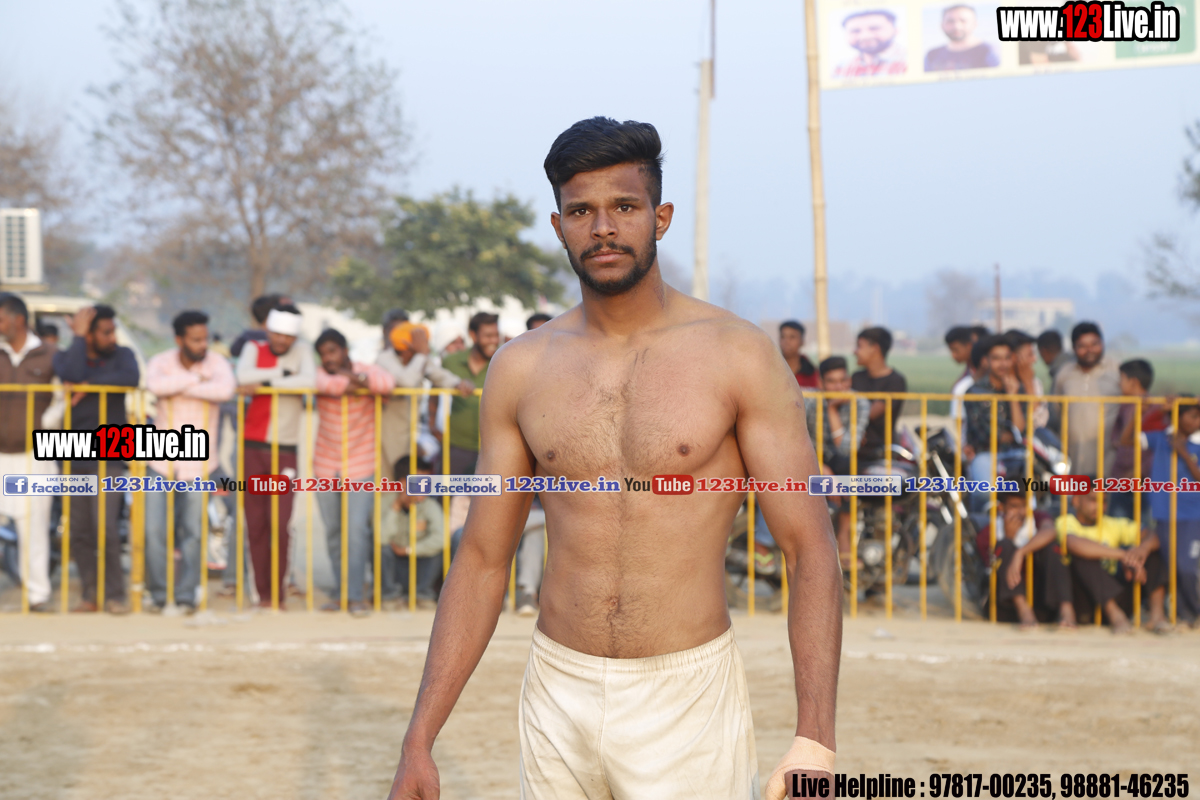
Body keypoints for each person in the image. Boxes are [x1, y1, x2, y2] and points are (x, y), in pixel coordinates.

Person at [387, 117, 840, 800]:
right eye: (581, 212)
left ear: (660, 217)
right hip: (557, 690)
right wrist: (419, 739)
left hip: (686, 696)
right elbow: (481, 559)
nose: (602, 228)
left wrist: (814, 740)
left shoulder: (737, 355)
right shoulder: (521, 367)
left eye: (624, 207)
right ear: (558, 225)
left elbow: (809, 547)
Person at [143, 310, 236, 613]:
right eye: (195, 340)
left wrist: (180, 386)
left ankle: (186, 595)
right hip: (160, 461)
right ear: (179, 339)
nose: (202, 345)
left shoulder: (217, 363)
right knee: (154, 531)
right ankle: (159, 595)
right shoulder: (160, 361)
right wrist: (196, 380)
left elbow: (225, 390)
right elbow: (154, 386)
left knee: (193, 533)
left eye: (204, 338)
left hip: (199, 465)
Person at [53, 304, 140, 614]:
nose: (112, 337)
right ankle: (90, 594)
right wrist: (78, 338)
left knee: (105, 527)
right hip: (73, 454)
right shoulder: (68, 355)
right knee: (80, 531)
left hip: (110, 455)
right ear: (88, 335)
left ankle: (115, 595)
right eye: (105, 332)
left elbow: (130, 377)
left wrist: (88, 386)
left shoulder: (123, 355)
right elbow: (70, 373)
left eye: (113, 330)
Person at [236, 304, 316, 609]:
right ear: (268, 330)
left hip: (285, 449)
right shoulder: (253, 348)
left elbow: (309, 381)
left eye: (288, 336)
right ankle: (262, 594)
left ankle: (278, 592)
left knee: (280, 524)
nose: (282, 340)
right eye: (278, 334)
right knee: (255, 523)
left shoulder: (303, 351)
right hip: (253, 445)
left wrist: (265, 383)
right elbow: (242, 375)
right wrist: (283, 374)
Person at [312, 328, 395, 615]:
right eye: (323, 354)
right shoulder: (319, 373)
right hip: (325, 466)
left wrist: (354, 378)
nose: (328, 358)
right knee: (334, 532)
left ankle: (356, 595)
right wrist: (355, 384)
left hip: (360, 464)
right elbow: (323, 384)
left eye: (332, 351)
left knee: (357, 531)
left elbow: (386, 383)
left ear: (345, 350)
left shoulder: (365, 369)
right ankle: (341, 593)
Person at [0, 294, 58, 612]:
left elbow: (62, 398)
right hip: (0, 452)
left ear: (18, 320)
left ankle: (37, 595)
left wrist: (46, 425)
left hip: (34, 455)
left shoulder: (51, 355)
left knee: (34, 527)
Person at [1129, 399, 1200, 628]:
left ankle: (1193, 613)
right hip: (1164, 514)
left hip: (1193, 516)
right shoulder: (1161, 439)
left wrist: (1183, 452)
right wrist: (1153, 410)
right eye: (1193, 416)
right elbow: (1126, 440)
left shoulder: (1195, 445)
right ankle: (1181, 615)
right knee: (1172, 566)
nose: (1197, 421)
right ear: (1178, 417)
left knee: (1187, 567)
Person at [1057, 487, 1167, 633]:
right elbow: (1073, 543)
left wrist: (1141, 550)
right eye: (1093, 500)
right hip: (1086, 599)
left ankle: (1157, 617)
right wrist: (1124, 555)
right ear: (1076, 501)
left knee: (1151, 552)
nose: (1099, 506)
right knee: (1083, 556)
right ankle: (1115, 616)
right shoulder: (1066, 521)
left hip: (1117, 592)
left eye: (1104, 502)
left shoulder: (1112, 523)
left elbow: (1152, 535)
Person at [377, 320, 473, 481]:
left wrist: (459, 383)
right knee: (390, 480)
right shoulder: (385, 359)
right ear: (407, 349)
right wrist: (421, 354)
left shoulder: (418, 359)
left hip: (411, 433)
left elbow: (440, 375)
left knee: (406, 479)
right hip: (387, 434)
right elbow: (406, 381)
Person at [805, 356, 870, 570]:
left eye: (843, 380)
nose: (840, 387)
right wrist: (819, 466)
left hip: (839, 462)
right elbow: (793, 440)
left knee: (849, 466)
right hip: (808, 457)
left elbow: (846, 449)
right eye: (832, 382)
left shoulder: (859, 402)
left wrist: (832, 410)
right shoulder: (808, 399)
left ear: (849, 380)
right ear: (820, 383)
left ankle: (843, 537)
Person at [979, 491, 1075, 629]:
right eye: (1014, 506)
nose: (1020, 512)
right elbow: (989, 569)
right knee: (1004, 545)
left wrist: (1020, 552)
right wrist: (1009, 539)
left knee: (1052, 547)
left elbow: (1050, 531)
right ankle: (1024, 611)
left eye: (1024, 506)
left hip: (1038, 600)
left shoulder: (1037, 518)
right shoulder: (988, 532)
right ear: (1001, 507)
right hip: (1004, 605)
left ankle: (1066, 609)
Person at [963, 335, 1027, 523]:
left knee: (1034, 490)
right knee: (984, 492)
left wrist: (1012, 397)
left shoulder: (1018, 389)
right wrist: (1009, 435)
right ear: (986, 361)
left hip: (1015, 454)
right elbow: (985, 434)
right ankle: (979, 527)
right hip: (985, 454)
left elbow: (1020, 430)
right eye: (997, 358)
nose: (1003, 364)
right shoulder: (975, 391)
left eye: (1007, 358)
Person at [1052, 322, 1119, 479]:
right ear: (1074, 348)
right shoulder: (1064, 373)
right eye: (1082, 346)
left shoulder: (1116, 370)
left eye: (1094, 344)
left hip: (1109, 458)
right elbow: (1056, 409)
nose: (1089, 350)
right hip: (1072, 456)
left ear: (1102, 343)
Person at [435, 312, 499, 476]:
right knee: (450, 491)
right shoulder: (451, 361)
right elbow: (434, 393)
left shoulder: (504, 360)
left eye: (496, 335)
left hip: (494, 448)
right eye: (488, 336)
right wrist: (432, 426)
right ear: (473, 335)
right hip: (457, 445)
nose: (494, 341)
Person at [381, 457, 444, 609]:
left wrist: (409, 550)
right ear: (403, 482)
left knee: (438, 551)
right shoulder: (385, 502)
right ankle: (390, 596)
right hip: (394, 568)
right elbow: (380, 538)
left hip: (419, 564)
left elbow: (441, 539)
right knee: (382, 550)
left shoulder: (430, 506)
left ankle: (423, 595)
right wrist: (395, 507)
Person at [1110, 359, 1160, 519]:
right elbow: (1117, 435)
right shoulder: (1125, 405)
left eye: (1121, 379)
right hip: (1120, 477)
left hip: (1142, 480)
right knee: (1116, 524)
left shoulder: (1155, 409)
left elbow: (1157, 447)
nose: (1119, 384)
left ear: (1133, 382)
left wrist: (1139, 471)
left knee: (1141, 524)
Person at [851, 326, 906, 462]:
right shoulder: (856, 377)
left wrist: (853, 426)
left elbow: (872, 412)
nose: (855, 352)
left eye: (859, 346)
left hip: (881, 453)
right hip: (853, 450)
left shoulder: (895, 381)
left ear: (874, 348)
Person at [833, 9, 908, 78]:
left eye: (874, 28)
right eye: (855, 31)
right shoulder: (841, 68)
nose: (865, 36)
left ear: (896, 30)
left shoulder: (909, 62)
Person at [924, 4, 1000, 71]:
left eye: (963, 21)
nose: (957, 26)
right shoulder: (932, 55)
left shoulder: (989, 52)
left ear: (975, 24)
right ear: (942, 25)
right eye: (950, 21)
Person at [1006, 329, 1049, 430]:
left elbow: (1039, 424)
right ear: (1014, 357)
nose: (1035, 359)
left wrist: (1029, 384)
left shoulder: (1034, 383)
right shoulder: (999, 383)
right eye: (1030, 354)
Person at [780, 320, 819, 389]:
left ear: (802, 341)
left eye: (792, 337)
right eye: (783, 337)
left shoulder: (814, 375)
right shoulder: (770, 370)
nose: (786, 341)